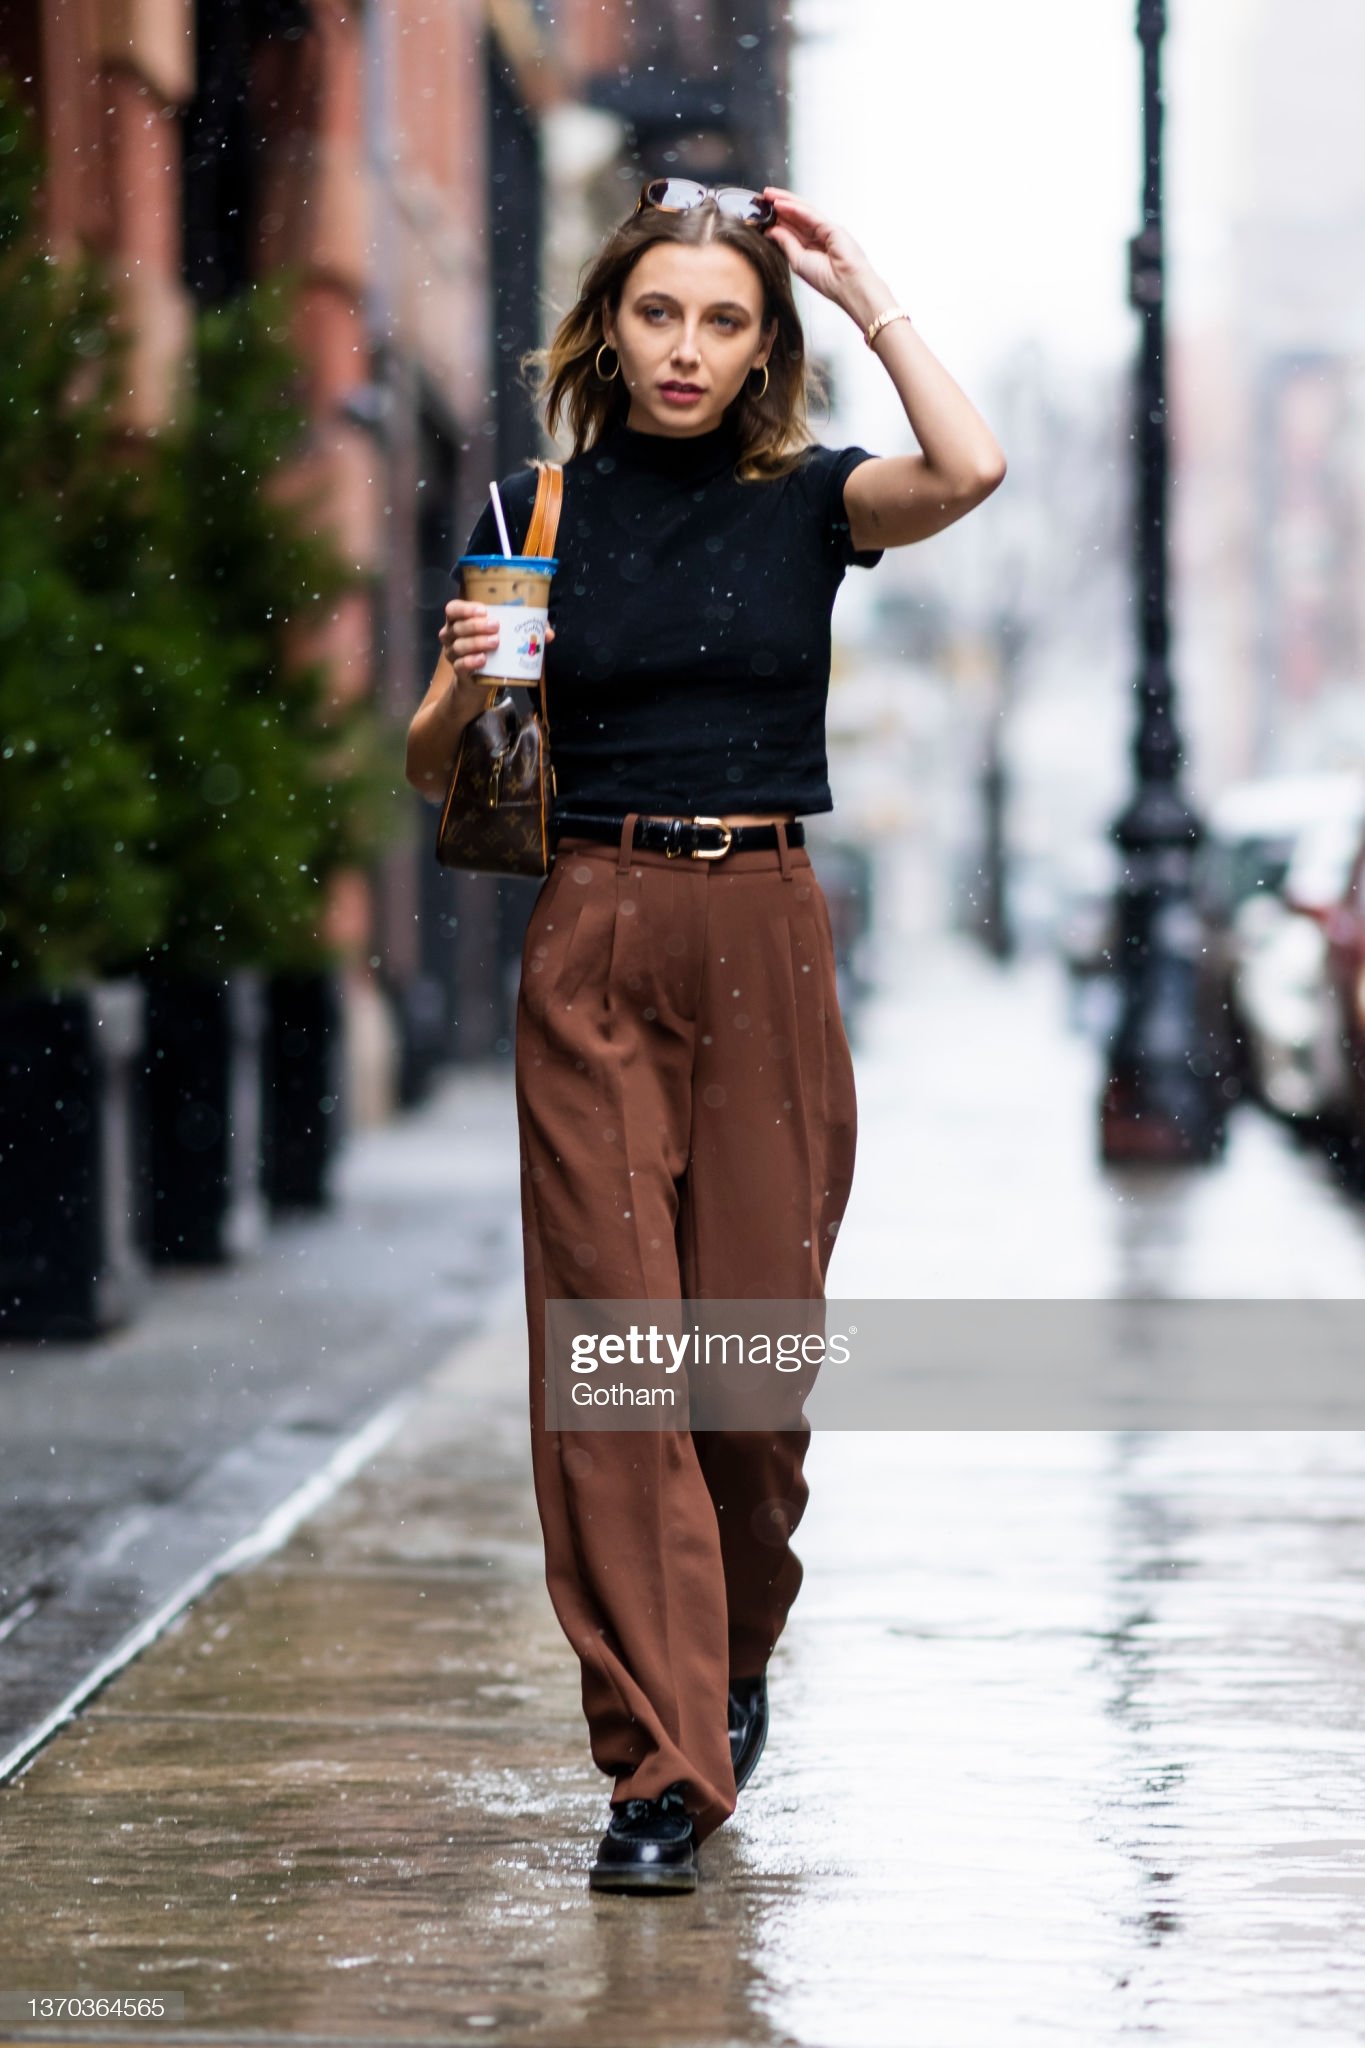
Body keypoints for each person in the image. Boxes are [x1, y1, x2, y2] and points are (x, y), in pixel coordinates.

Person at [405, 177, 1006, 1894]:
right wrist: (460, 676)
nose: (686, 348)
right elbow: (438, 770)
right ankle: (655, 1767)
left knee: (747, 1379)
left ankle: (730, 1656)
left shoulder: (811, 505)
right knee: (614, 1364)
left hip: (764, 938)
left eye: (723, 322)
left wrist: (865, 284)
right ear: (610, 327)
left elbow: (968, 470)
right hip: (590, 931)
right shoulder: (534, 506)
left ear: (762, 354)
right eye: (659, 314)